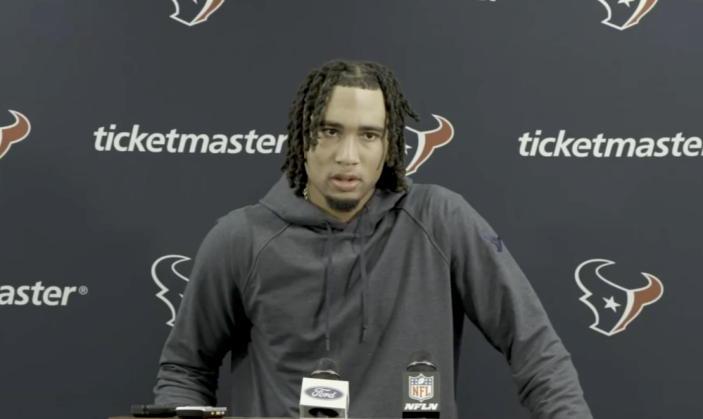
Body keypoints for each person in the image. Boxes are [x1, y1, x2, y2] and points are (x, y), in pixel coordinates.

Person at [153, 59, 593, 418]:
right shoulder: (241, 238)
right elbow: (185, 369)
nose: (348, 155)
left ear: (389, 146)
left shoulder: (440, 220)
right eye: (330, 131)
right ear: (303, 138)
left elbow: (534, 347)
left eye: (368, 135)